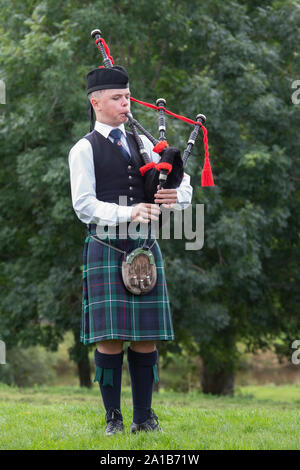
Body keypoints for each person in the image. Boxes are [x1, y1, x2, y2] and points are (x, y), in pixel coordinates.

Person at [68, 65, 193, 435]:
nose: (126, 104)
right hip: (106, 245)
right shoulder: (83, 149)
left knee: (145, 337)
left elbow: (181, 186)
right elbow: (83, 205)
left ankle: (144, 418)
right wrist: (129, 211)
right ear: (96, 102)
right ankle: (113, 419)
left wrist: (177, 196)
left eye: (127, 97)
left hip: (144, 245)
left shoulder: (143, 144)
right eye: (118, 98)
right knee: (110, 337)